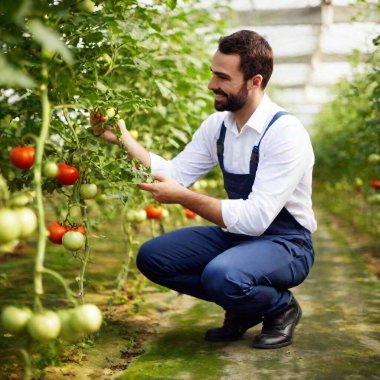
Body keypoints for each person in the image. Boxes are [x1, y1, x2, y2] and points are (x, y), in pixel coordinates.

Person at [94, 30, 317, 349]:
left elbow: (255, 219)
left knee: (222, 275)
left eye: (222, 77)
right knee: (154, 257)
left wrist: (184, 198)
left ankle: (279, 307)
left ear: (254, 81)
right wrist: (122, 137)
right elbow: (175, 174)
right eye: (213, 73)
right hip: (239, 236)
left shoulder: (285, 133)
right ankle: (244, 306)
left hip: (286, 242)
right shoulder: (218, 127)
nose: (212, 84)